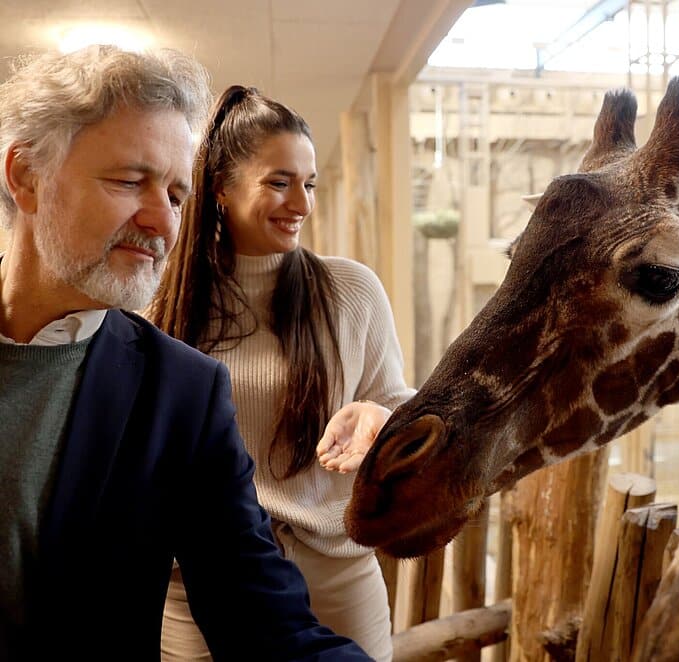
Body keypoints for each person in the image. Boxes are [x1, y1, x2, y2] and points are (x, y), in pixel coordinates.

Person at [0, 45, 370, 660]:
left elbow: (261, 617)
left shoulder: (182, 391)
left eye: (175, 196)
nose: (161, 221)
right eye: (129, 181)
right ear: (26, 176)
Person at [148, 85, 414, 661]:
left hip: (337, 576)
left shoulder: (352, 291)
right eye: (279, 181)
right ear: (220, 187)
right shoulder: (160, 306)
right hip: (198, 583)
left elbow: (397, 401)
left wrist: (381, 416)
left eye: (309, 184)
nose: (301, 203)